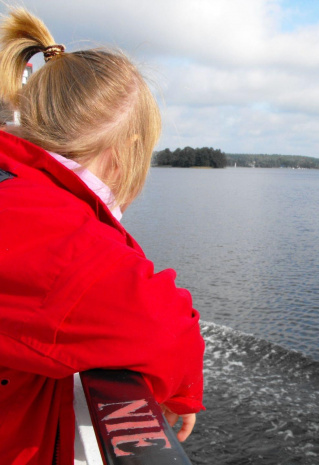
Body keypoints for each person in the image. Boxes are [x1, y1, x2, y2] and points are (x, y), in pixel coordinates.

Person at [0, 7, 205, 464]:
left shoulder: (15, 189)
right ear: (127, 151)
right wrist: (184, 394)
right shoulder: (54, 234)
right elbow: (164, 328)